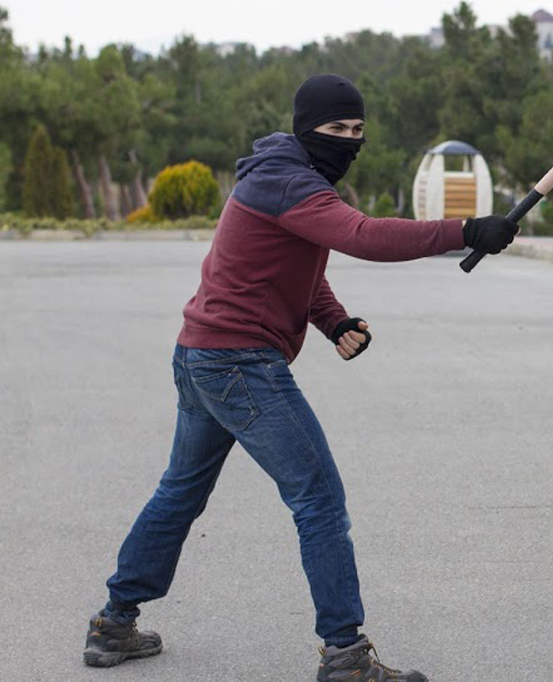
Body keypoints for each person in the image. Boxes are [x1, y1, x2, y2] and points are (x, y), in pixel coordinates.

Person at [84, 73, 518, 681]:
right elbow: (362, 235)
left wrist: (333, 320)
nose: (349, 140)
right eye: (337, 128)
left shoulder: (282, 174)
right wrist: (464, 231)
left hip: (201, 354)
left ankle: (113, 623)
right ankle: (345, 657)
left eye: (358, 129)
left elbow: (296, 265)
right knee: (318, 500)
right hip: (239, 364)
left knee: (180, 492)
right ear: (307, 128)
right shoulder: (289, 181)